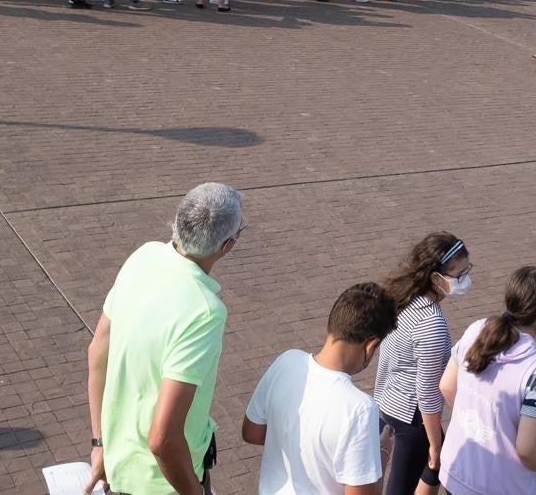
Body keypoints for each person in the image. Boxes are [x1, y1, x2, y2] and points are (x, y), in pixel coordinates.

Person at [84, 183, 244, 495]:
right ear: (227, 245)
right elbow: (162, 438)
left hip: (117, 466)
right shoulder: (205, 312)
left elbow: (97, 352)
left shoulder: (142, 257)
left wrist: (100, 443)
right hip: (162, 484)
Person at [242, 283, 396, 494]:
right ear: (371, 346)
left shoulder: (286, 361)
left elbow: (251, 432)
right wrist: (383, 453)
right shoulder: (360, 408)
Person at [438, 267, 536, 495]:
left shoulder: (476, 329)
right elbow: (527, 450)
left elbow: (446, 385)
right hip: (500, 485)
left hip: (456, 470)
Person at [375, 232, 472, 495]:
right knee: (404, 485)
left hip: (388, 401)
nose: (465, 280)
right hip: (412, 417)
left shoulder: (402, 299)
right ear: (435, 277)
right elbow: (427, 394)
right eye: (459, 274)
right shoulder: (430, 324)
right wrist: (436, 445)